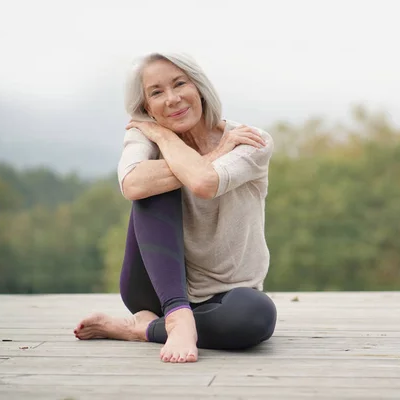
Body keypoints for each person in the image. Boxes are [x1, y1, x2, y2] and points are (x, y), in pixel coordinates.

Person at [73, 52, 277, 363]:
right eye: (156, 92)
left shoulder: (250, 140)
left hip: (229, 296)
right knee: (152, 185)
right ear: (146, 108)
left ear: (199, 87)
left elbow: (203, 183)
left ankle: (143, 329)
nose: (171, 99)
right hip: (156, 289)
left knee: (256, 317)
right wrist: (168, 139)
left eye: (179, 84)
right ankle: (176, 316)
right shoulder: (144, 135)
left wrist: (171, 139)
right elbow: (132, 185)